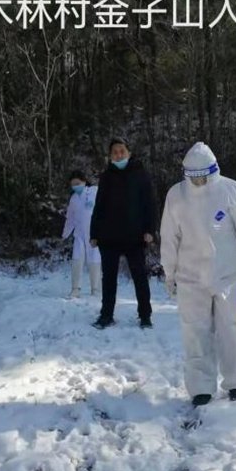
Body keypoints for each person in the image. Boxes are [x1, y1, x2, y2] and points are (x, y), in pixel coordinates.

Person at [160, 142, 236, 407]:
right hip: (190, 276)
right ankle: (201, 387)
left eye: (202, 177)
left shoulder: (231, 190)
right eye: (193, 177)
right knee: (195, 332)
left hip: (228, 274)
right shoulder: (176, 195)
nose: (198, 183)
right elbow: (169, 237)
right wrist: (169, 271)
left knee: (231, 329)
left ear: (213, 171)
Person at [90, 137, 157, 329]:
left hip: (134, 236)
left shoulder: (140, 174)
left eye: (122, 151)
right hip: (108, 237)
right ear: (110, 156)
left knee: (140, 277)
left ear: (129, 152)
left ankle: (145, 315)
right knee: (108, 279)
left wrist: (150, 230)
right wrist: (94, 233)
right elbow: (99, 206)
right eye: (115, 152)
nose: (118, 155)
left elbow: (150, 204)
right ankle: (106, 315)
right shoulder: (106, 177)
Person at [62, 170, 101, 298]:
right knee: (77, 259)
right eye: (73, 185)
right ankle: (75, 288)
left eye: (78, 183)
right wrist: (65, 233)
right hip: (79, 234)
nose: (76, 186)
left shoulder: (94, 191)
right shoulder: (73, 199)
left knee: (94, 259)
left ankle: (96, 289)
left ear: (84, 182)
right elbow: (70, 218)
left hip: (94, 234)